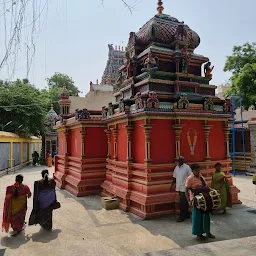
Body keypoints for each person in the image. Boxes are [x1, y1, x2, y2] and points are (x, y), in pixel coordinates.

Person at [185, 163, 215, 240]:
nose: (198, 171)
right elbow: (186, 190)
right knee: (197, 217)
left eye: (199, 170)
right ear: (193, 170)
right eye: (197, 170)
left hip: (204, 199)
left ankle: (207, 232)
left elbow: (206, 185)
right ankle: (199, 234)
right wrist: (189, 201)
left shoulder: (201, 177)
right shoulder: (190, 178)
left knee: (206, 216)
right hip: (196, 199)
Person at [170, 156, 192, 222]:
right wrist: (171, 186)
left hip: (185, 188)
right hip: (179, 187)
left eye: (181, 160)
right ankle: (187, 214)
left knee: (182, 203)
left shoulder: (187, 167)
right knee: (184, 202)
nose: (179, 161)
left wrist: (190, 186)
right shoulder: (176, 168)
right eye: (178, 160)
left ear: (183, 161)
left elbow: (191, 177)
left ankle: (182, 217)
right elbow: (174, 178)